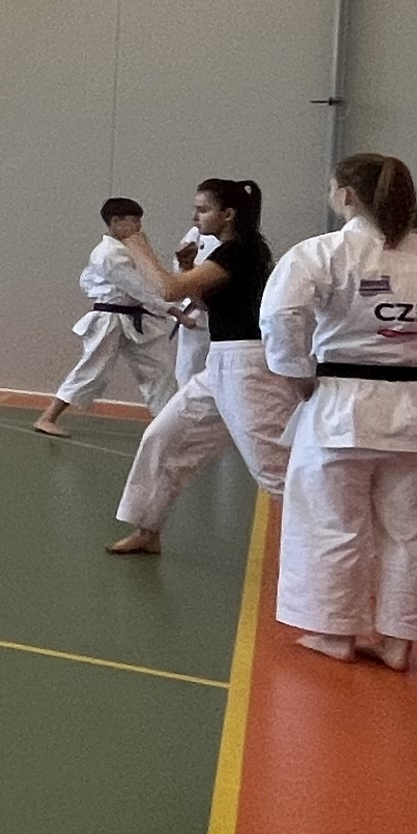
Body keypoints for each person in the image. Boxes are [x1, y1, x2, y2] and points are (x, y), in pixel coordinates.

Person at [262, 153, 417, 667]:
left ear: (346, 195)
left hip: (341, 405)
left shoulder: (322, 252)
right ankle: (400, 640)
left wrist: (296, 374)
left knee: (332, 524)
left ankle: (335, 633)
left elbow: (281, 315)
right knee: (415, 530)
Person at [107, 180, 289, 558]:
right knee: (162, 437)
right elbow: (207, 304)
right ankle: (148, 529)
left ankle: (326, 546)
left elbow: (169, 290)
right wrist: (189, 267)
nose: (195, 217)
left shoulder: (239, 252)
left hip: (247, 367)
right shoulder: (228, 253)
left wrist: (137, 244)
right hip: (221, 364)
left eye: (203, 209)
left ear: (228, 214)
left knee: (272, 469)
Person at [33, 199, 175, 435]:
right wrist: (172, 309)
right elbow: (138, 288)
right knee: (92, 368)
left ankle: (168, 422)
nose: (139, 226)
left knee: (159, 369)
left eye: (140, 221)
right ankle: (47, 417)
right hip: (109, 320)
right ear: (115, 221)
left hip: (133, 319)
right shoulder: (107, 253)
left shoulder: (129, 248)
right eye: (134, 220)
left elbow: (95, 280)